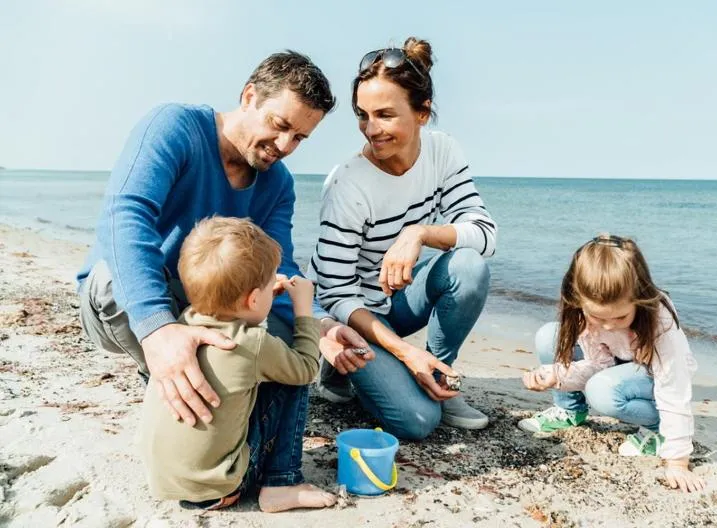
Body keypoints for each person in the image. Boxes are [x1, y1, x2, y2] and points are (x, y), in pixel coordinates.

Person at [76, 51, 371, 507]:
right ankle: (164, 376)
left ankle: (217, 442)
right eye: (279, 124)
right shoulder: (174, 127)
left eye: (300, 137)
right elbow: (125, 215)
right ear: (249, 95)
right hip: (131, 305)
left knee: (286, 340)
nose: (286, 144)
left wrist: (324, 327)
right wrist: (158, 328)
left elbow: (280, 272)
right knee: (110, 281)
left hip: (212, 316)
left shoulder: (278, 184)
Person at [307, 37, 497, 440]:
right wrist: (405, 352)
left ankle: (440, 377)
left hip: (396, 299)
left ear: (422, 112)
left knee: (468, 267)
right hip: (349, 310)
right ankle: (341, 369)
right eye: (363, 115)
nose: (371, 129)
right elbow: (337, 291)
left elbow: (484, 234)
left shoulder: (443, 152)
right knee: (417, 422)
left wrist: (419, 233)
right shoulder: (347, 185)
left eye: (386, 115)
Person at [140, 217, 336, 512]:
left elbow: (243, 324)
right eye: (271, 284)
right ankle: (282, 483)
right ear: (254, 299)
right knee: (294, 375)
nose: (274, 288)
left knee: (265, 372)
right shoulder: (252, 344)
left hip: (168, 481)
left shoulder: (184, 325)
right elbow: (307, 368)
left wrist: (264, 297)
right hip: (221, 486)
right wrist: (304, 311)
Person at [520, 234, 705, 493]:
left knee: (602, 390)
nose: (607, 325)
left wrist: (677, 461)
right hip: (615, 369)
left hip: (652, 377)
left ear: (639, 296)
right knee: (549, 336)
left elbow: (674, 388)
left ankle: (656, 430)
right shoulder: (584, 313)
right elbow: (597, 365)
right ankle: (569, 411)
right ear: (579, 298)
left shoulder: (659, 320)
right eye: (596, 316)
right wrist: (558, 377)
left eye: (620, 317)